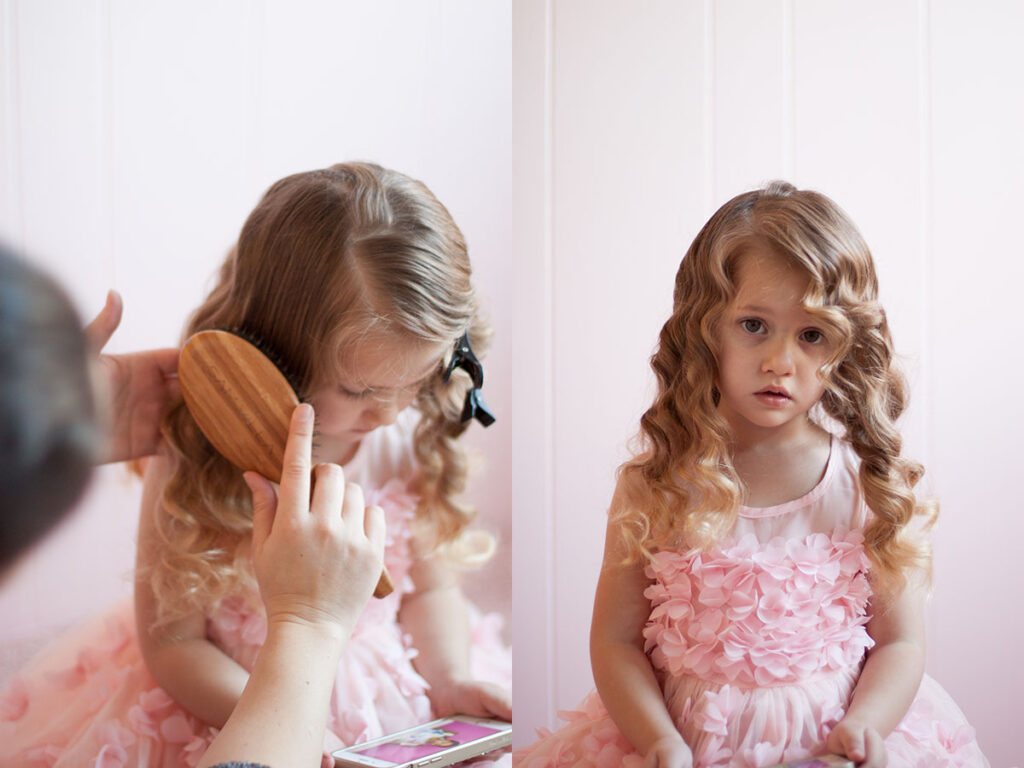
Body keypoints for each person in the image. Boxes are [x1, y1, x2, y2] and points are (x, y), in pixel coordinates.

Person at [0, 163, 511, 767]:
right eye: (359, 390)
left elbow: (429, 591)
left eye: (417, 380)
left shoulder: (404, 439)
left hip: (386, 704)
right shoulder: (197, 454)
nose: (391, 412)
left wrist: (448, 676)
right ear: (274, 350)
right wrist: (287, 719)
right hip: (231, 704)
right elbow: (173, 644)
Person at [514, 182, 987, 767]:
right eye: (754, 325)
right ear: (705, 326)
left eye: (811, 335)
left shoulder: (865, 487)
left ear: (844, 345)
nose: (778, 362)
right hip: (682, 745)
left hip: (827, 750)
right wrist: (658, 740)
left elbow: (901, 643)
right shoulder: (657, 483)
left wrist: (866, 726)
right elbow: (615, 641)